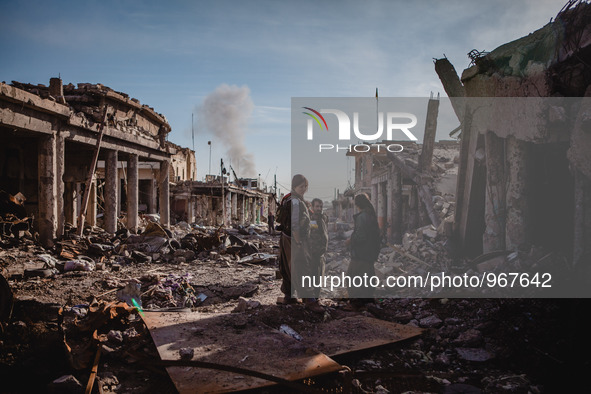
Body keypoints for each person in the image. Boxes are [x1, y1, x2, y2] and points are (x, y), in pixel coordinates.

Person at [277, 174, 310, 305]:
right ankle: (308, 299)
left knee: (287, 267)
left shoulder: (288, 199)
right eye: (301, 186)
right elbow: (295, 224)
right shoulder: (295, 202)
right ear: (294, 186)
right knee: (301, 267)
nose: (304, 189)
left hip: (286, 237)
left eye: (305, 186)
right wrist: (298, 242)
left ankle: (289, 296)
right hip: (293, 239)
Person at [345, 193, 381, 306]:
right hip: (370, 253)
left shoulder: (362, 217)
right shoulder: (371, 214)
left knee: (352, 277)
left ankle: (357, 305)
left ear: (357, 204)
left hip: (361, 254)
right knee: (367, 278)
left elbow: (360, 237)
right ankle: (367, 302)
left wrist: (350, 241)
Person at [304, 198, 328, 313]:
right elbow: (312, 238)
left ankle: (315, 299)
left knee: (319, 277)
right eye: (317, 206)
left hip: (320, 254)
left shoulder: (322, 219)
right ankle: (311, 301)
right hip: (314, 254)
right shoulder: (312, 220)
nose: (319, 209)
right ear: (312, 207)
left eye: (320, 207)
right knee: (314, 277)